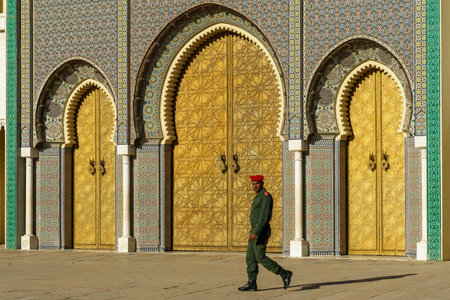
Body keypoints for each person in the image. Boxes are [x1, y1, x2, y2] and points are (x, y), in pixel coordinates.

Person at [238, 175, 293, 291]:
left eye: (257, 183)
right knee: (250, 257)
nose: (255, 186)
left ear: (262, 183)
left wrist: (256, 232)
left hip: (260, 230)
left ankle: (284, 273)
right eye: (253, 184)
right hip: (254, 229)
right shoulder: (258, 197)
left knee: (260, 256)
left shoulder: (265, 196)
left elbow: (264, 217)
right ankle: (252, 282)